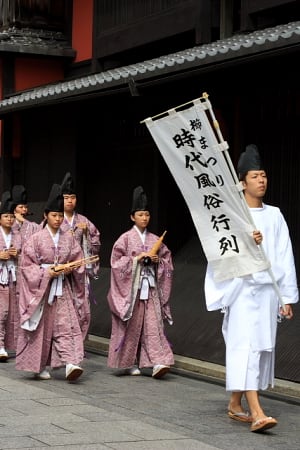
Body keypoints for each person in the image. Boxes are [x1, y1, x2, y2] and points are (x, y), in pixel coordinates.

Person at [204, 144, 299, 432]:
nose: (262, 180)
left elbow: (285, 255)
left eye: (264, 175)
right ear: (243, 182)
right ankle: (257, 411)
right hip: (243, 291)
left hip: (269, 291)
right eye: (256, 176)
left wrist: (287, 296)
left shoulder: (275, 215)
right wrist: (245, 241)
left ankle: (235, 403)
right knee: (244, 347)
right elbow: (220, 256)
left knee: (259, 347)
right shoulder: (232, 217)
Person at [15, 183, 90, 381]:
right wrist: (47, 271)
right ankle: (40, 366)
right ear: (46, 216)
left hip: (63, 288)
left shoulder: (69, 239)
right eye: (54, 216)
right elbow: (27, 266)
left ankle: (71, 363)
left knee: (68, 325)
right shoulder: (36, 239)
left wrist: (71, 268)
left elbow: (79, 260)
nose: (58, 219)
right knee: (43, 328)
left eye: (60, 216)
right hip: (43, 290)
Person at [107, 185, 174, 379]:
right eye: (140, 214)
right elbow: (116, 263)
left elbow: (168, 263)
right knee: (132, 325)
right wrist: (136, 260)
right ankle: (129, 362)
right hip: (132, 290)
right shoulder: (125, 239)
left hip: (151, 287)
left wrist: (158, 261)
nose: (144, 218)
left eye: (147, 214)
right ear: (132, 217)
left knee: (153, 325)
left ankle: (158, 361)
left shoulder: (155, 239)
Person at [60, 172, 100, 282]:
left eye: (72, 197)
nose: (69, 201)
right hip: (61, 269)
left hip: (80, 269)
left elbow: (96, 245)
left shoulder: (84, 220)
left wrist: (86, 234)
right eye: (66, 197)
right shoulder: (55, 220)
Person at [0, 191, 22, 361]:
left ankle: (8, 345)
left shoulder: (17, 235)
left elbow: (27, 254)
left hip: (12, 277)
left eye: (11, 217)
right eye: (6, 216)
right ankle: (0, 345)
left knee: (12, 313)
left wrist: (17, 253)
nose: (9, 219)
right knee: (2, 312)